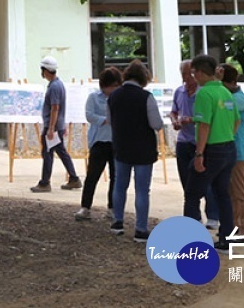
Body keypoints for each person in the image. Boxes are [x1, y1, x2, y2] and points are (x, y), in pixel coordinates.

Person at [184, 55, 239, 250]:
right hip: (228, 148)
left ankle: (190, 241)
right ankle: (226, 239)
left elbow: (204, 125)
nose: (193, 77)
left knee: (192, 194)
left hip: (211, 150)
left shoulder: (204, 94)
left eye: (193, 73)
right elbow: (237, 120)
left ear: (199, 72)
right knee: (222, 194)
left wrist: (199, 154)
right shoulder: (225, 91)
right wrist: (226, 135)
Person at [107, 59, 163, 241]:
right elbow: (156, 124)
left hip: (121, 146)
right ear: (143, 78)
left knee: (119, 186)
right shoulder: (146, 97)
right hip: (143, 150)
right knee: (141, 190)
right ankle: (140, 228)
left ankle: (117, 221)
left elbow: (110, 119)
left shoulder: (113, 96)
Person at [170, 60, 219, 230]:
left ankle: (212, 215)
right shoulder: (179, 92)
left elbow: (207, 119)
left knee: (206, 180)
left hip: (200, 141)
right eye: (183, 74)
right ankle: (194, 217)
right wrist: (175, 120)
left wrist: (191, 120)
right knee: (187, 181)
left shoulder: (204, 93)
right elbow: (174, 110)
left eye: (190, 73)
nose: (187, 77)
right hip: (183, 140)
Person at [75, 65, 122, 221]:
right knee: (92, 176)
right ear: (104, 85)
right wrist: (105, 120)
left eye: (117, 86)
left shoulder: (119, 98)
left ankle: (112, 208)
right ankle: (85, 207)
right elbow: (89, 115)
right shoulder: (94, 97)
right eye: (112, 86)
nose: (114, 89)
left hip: (116, 141)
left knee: (116, 176)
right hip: (99, 141)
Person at [31, 56, 82, 192]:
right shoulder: (59, 84)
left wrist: (51, 128)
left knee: (48, 154)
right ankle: (74, 178)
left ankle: (45, 183)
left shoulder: (54, 87)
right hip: (57, 126)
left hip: (52, 127)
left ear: (45, 70)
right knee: (61, 152)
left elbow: (55, 108)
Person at [219, 63, 244, 239]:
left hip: (239, 151)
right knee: (231, 193)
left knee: (241, 192)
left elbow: (222, 108)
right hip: (230, 150)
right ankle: (235, 227)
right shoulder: (233, 96)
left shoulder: (239, 99)